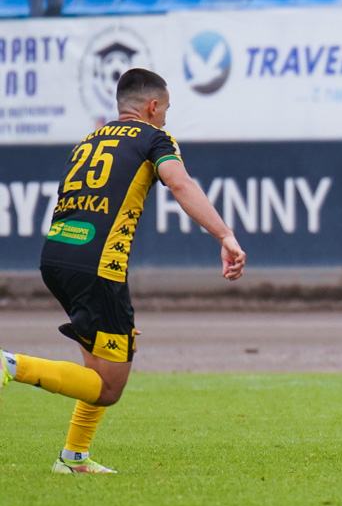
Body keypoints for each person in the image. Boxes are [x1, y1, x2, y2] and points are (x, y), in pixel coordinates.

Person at [0, 68, 246, 474]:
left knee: (105, 356)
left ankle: (74, 458)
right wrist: (225, 235)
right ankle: (10, 365)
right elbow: (181, 184)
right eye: (165, 109)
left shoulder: (89, 140)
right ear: (152, 107)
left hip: (57, 254)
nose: (166, 117)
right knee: (109, 388)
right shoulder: (155, 138)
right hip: (97, 264)